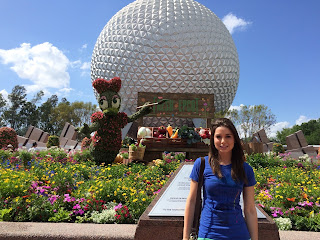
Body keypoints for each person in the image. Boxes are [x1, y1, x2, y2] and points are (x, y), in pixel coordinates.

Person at [183, 118, 258, 240]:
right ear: (213, 140)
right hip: (208, 233)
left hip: (239, 234)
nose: (223, 141)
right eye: (218, 137)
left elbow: (249, 209)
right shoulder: (201, 164)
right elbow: (191, 202)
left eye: (228, 136)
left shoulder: (245, 169)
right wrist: (185, 237)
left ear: (235, 139)